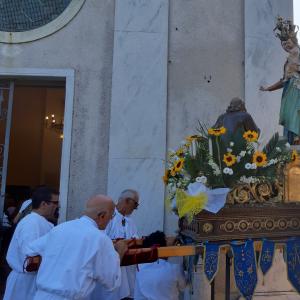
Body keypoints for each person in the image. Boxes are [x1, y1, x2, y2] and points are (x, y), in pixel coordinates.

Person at [26, 194, 128, 300]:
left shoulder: (60, 228)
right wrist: (119, 252)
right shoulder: (100, 239)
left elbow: (30, 250)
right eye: (111, 217)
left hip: (41, 295)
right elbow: (111, 281)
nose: (110, 221)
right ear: (102, 216)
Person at [3, 186, 59, 300]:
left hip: (32, 280)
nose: (58, 206)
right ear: (44, 204)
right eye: (55, 202)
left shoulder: (38, 221)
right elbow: (30, 258)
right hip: (25, 283)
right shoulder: (31, 223)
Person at [91, 189, 139, 300]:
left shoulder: (130, 222)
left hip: (127, 272)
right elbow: (101, 241)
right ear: (127, 200)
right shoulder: (108, 217)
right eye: (135, 204)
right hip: (110, 272)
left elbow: (135, 239)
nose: (136, 208)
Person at [260, 17, 300, 144]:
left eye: (287, 42)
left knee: (294, 115)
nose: (285, 45)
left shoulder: (298, 54)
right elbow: (284, 80)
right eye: (283, 44)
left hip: (297, 90)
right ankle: (292, 141)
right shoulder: (289, 59)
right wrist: (268, 89)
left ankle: (296, 139)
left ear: (294, 41)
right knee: (288, 116)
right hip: (289, 90)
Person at [134, 231, 187, 300]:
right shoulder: (175, 269)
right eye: (166, 239)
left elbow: (138, 297)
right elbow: (183, 286)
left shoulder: (140, 270)